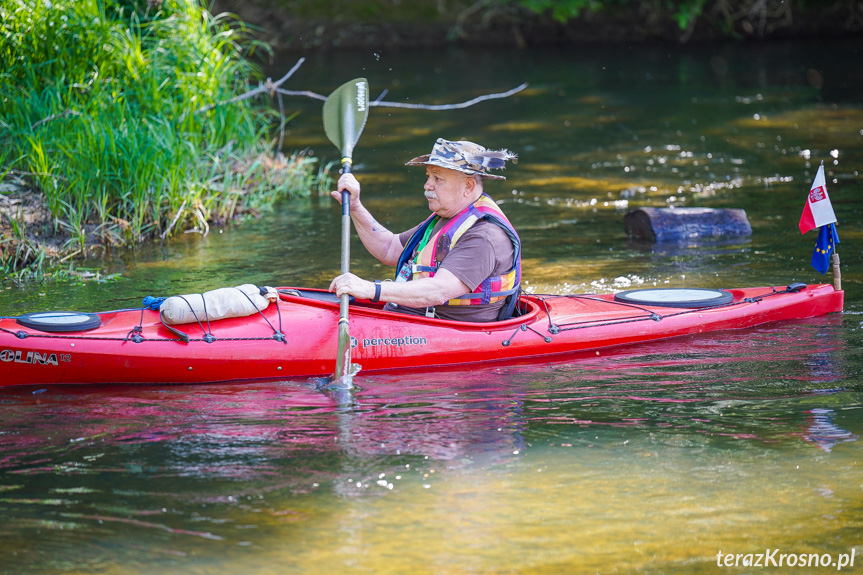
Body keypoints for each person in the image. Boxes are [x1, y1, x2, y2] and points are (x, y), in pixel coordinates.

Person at [328, 138, 522, 322]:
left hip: (441, 331)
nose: (427, 185)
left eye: (438, 179)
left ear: (468, 186)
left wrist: (371, 289)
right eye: (429, 176)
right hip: (410, 318)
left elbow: (439, 290)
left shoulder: (484, 236)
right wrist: (355, 207)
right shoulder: (446, 217)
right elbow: (389, 248)